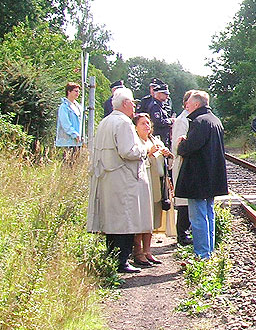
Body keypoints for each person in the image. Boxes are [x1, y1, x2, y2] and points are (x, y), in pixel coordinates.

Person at [87, 87, 153, 273]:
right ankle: (122, 261)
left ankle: (112, 257)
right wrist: (144, 150)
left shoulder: (105, 121)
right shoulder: (124, 123)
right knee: (126, 220)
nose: (134, 106)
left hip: (108, 177)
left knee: (112, 222)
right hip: (123, 178)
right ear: (125, 103)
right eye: (132, 103)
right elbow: (128, 151)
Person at [175, 91, 227, 259]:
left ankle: (202, 254)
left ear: (197, 104)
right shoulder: (215, 120)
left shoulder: (199, 121)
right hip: (212, 174)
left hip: (198, 176)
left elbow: (189, 148)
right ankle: (209, 250)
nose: (186, 106)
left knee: (197, 217)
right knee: (209, 214)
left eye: (188, 103)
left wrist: (182, 143)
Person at [132, 113, 172, 266]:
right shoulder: (135, 142)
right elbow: (135, 159)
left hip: (156, 183)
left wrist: (167, 154)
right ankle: (138, 251)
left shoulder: (154, 140)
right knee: (141, 217)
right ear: (135, 127)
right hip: (142, 182)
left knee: (151, 217)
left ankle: (148, 251)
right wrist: (149, 153)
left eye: (148, 123)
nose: (147, 126)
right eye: (143, 123)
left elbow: (166, 159)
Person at [171, 89, 195, 245]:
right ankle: (182, 234)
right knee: (183, 201)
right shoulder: (182, 120)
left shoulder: (191, 119)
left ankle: (187, 231)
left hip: (189, 164)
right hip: (181, 163)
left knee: (189, 199)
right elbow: (177, 145)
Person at [56, 82, 83, 162]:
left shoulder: (78, 106)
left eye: (78, 91)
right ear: (69, 91)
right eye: (75, 91)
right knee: (67, 164)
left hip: (77, 142)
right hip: (67, 142)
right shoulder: (64, 107)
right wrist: (74, 134)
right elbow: (65, 124)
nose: (78, 93)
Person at [144, 81, 175, 145]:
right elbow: (158, 122)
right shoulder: (155, 107)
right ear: (158, 94)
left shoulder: (161, 106)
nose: (167, 96)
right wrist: (170, 121)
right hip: (158, 137)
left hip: (164, 137)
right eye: (165, 94)